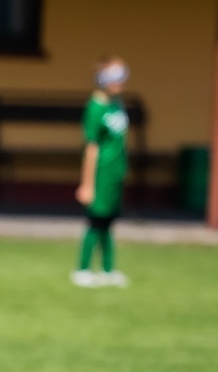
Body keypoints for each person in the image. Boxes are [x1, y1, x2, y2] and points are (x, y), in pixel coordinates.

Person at [74, 58, 131, 288]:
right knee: (95, 221)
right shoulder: (95, 108)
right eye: (114, 78)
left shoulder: (117, 104)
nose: (120, 82)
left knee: (108, 221)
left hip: (115, 173)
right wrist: (87, 184)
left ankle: (108, 269)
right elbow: (91, 147)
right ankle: (83, 269)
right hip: (100, 173)